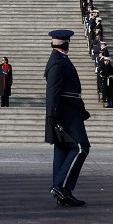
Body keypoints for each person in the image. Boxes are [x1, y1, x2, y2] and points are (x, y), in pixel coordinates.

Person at [44, 29, 88, 207]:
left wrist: (81, 109)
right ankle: (62, 187)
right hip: (65, 113)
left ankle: (62, 192)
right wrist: (52, 114)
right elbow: (52, 91)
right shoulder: (57, 62)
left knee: (63, 150)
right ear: (66, 44)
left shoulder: (60, 60)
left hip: (68, 110)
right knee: (80, 147)